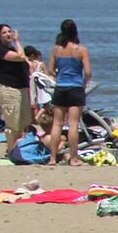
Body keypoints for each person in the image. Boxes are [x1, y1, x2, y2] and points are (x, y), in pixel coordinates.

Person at [44, 19, 90, 167]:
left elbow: (50, 70)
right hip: (75, 87)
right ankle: (74, 158)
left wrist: (59, 76)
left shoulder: (56, 50)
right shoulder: (81, 50)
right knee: (73, 124)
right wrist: (83, 83)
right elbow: (88, 72)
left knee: (57, 124)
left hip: (60, 88)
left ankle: (52, 158)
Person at [0, 23, 33, 149]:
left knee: (24, 121)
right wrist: (17, 41)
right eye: (4, 33)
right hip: (9, 88)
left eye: (9, 31)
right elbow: (21, 57)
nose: (8, 34)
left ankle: (20, 148)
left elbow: (24, 61)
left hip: (21, 88)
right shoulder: (0, 50)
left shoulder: (13, 49)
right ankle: (11, 149)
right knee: (13, 123)